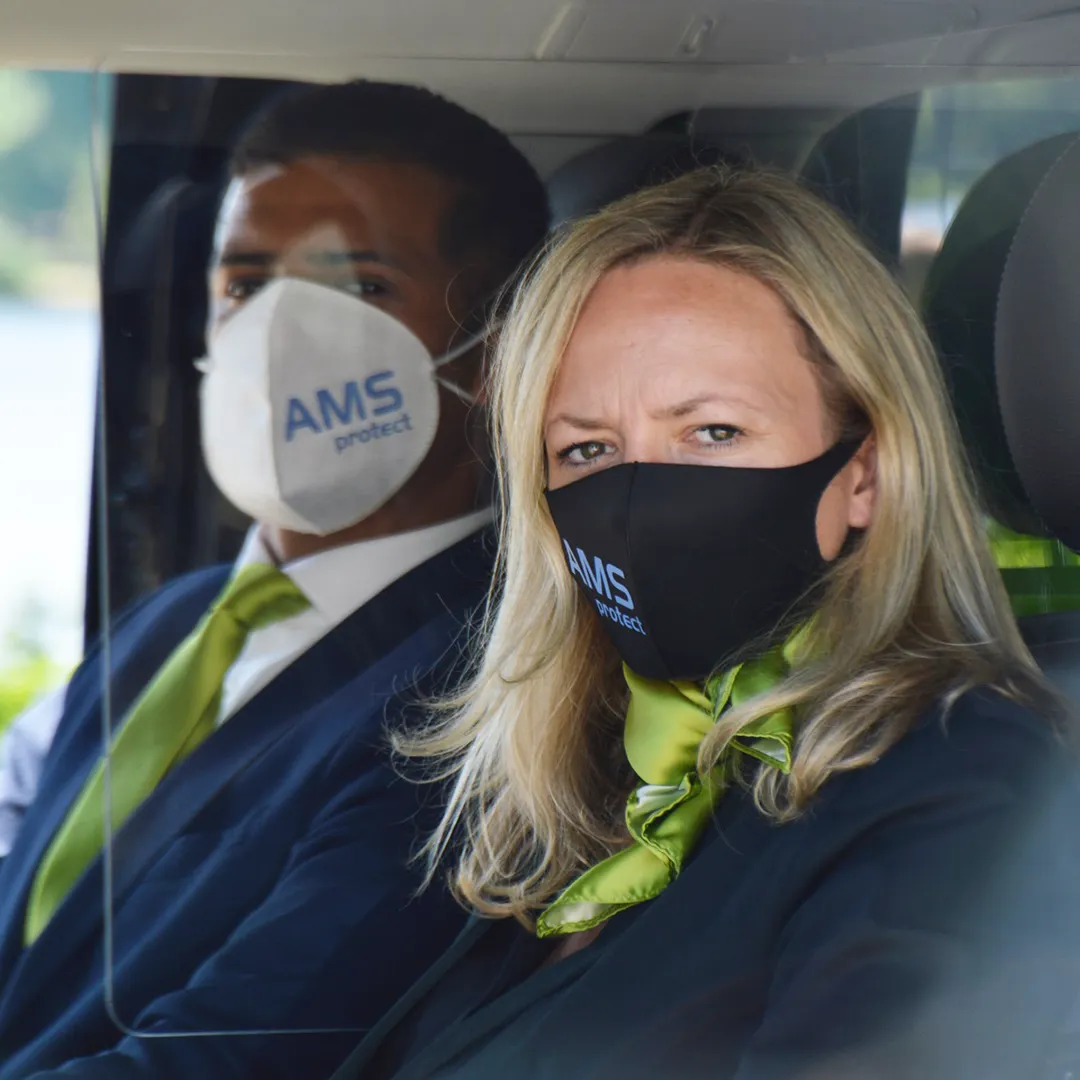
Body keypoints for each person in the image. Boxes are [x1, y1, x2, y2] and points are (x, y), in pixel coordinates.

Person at [328, 165, 1080, 1080]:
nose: (637, 495)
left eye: (714, 433)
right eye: (588, 449)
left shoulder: (966, 781)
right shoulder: (590, 781)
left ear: (865, 475)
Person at [0, 79, 549, 1079]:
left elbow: (228, 1056)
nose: (282, 336)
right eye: (247, 284)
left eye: (361, 289)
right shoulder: (167, 623)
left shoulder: (485, 704)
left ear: (497, 347)